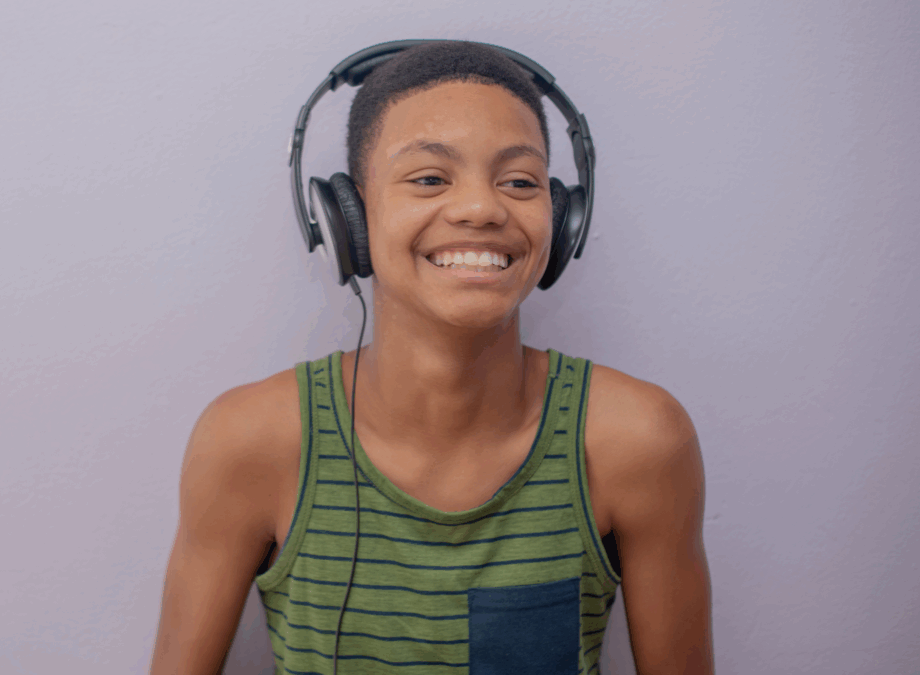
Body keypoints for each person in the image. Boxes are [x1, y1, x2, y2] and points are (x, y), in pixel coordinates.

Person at [149, 41, 714, 675]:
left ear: (562, 217)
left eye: (520, 181)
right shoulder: (249, 439)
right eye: (429, 178)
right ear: (349, 216)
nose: (481, 208)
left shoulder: (636, 439)